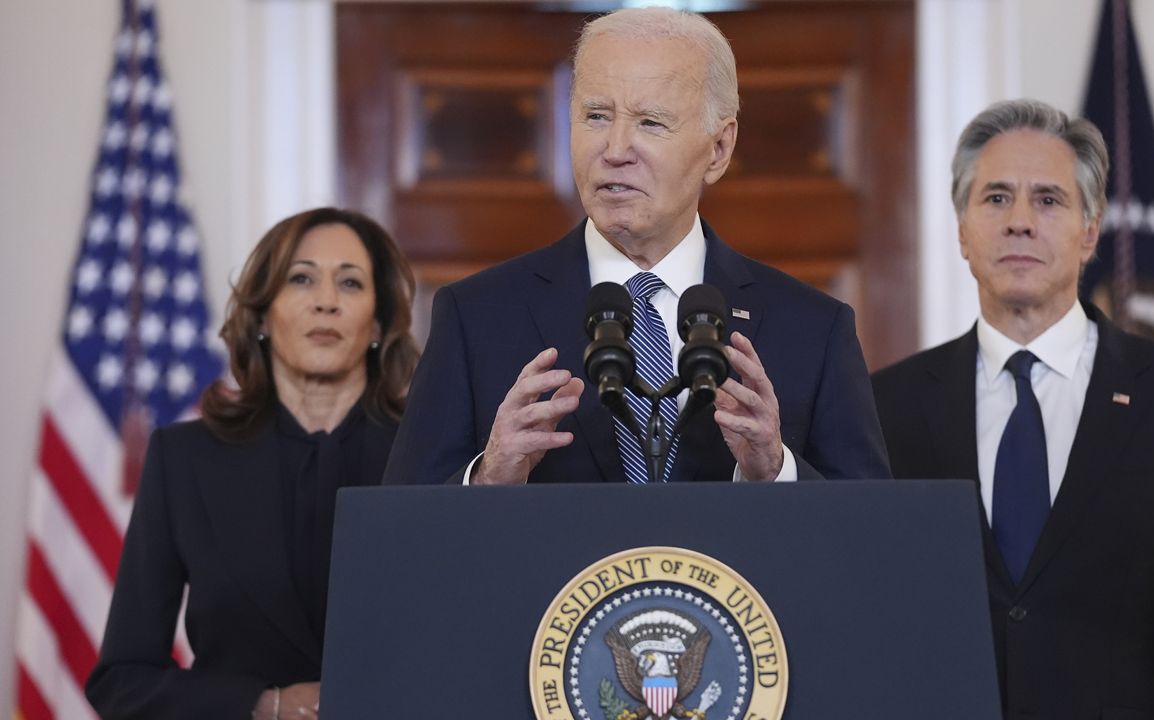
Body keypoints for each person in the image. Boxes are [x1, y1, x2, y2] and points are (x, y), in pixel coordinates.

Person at [382, 7, 888, 487]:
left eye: (650, 122)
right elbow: (399, 537)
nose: (616, 150)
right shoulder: (476, 317)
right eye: (597, 116)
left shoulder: (814, 329)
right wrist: (489, 478)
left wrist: (775, 471)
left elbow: (873, 540)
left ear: (719, 149)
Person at [872, 99, 1154, 718]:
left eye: (1048, 200)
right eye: (996, 198)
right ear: (963, 231)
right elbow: (871, 618)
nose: (1020, 220)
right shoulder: (889, 404)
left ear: (1089, 230)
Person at [85, 208, 419, 719]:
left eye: (350, 283)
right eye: (301, 278)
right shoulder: (184, 459)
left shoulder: (426, 455)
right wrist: (265, 705)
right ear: (262, 316)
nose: (326, 302)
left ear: (376, 323)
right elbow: (121, 681)